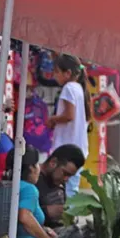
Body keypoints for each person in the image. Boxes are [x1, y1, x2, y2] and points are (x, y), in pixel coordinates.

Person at [47, 54, 92, 198]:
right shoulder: (79, 88)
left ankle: (66, 216)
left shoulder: (68, 88)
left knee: (65, 186)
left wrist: (52, 119)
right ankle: (69, 216)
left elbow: (69, 116)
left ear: (68, 73)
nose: (54, 76)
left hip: (67, 148)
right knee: (72, 186)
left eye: (57, 72)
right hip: (78, 147)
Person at [5, 146, 62, 238]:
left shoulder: (6, 186)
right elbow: (24, 217)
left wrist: (44, 230)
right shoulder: (28, 189)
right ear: (31, 168)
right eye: (37, 164)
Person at [37, 144, 87, 230]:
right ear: (53, 163)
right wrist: (46, 212)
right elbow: (20, 214)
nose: (66, 179)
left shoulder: (59, 180)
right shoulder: (32, 178)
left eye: (70, 176)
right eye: (65, 173)